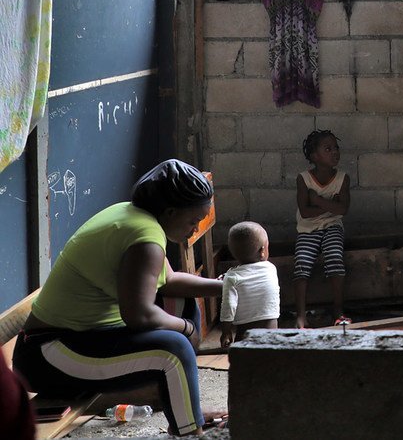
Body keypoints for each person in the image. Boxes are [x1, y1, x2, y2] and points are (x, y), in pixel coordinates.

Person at [12, 159, 224, 436]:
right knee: (174, 348)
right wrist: (186, 330)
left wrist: (225, 285)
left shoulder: (136, 216)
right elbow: (139, 315)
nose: (194, 230)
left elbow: (169, 281)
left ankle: (187, 411)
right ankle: (190, 430)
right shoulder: (145, 238)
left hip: (80, 338)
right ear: (171, 212)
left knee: (183, 304)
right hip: (50, 354)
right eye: (193, 221)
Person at [294, 129, 350, 328]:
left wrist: (316, 200)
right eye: (328, 149)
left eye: (336, 147)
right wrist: (329, 205)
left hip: (333, 226)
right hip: (307, 229)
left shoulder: (343, 178)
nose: (335, 152)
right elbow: (305, 212)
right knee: (302, 262)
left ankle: (338, 310)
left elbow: (342, 210)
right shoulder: (303, 179)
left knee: (335, 256)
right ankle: (301, 314)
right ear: (314, 156)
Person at [219, 221, 280, 347]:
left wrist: (226, 331)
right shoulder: (271, 269)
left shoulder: (231, 277)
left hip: (244, 332)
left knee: (243, 362)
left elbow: (229, 305)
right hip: (271, 331)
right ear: (262, 250)